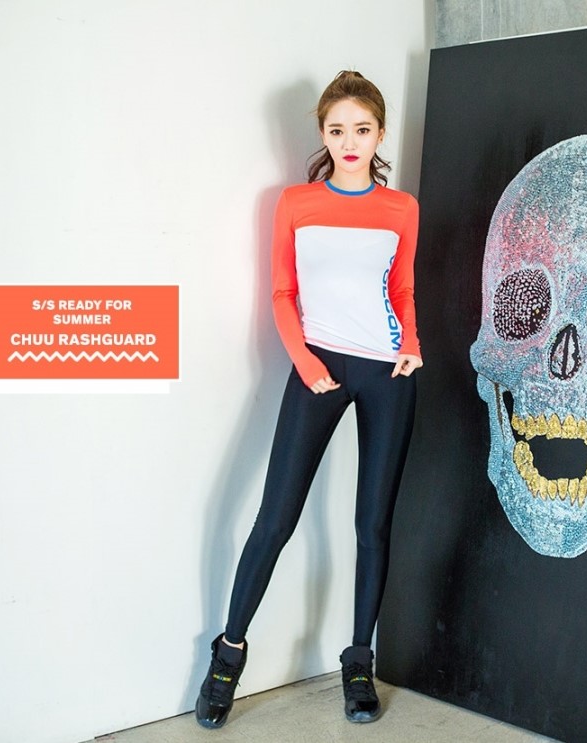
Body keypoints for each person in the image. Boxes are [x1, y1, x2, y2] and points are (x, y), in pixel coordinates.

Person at [195, 70, 422, 729]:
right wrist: (305, 361)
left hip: (388, 372)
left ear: (379, 133)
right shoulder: (295, 202)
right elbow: (281, 291)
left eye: (362, 130)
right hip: (316, 366)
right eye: (337, 129)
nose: (349, 142)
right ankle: (227, 657)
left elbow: (402, 289)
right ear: (322, 133)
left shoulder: (401, 208)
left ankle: (359, 663)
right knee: (276, 519)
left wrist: (412, 343)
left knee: (371, 525)